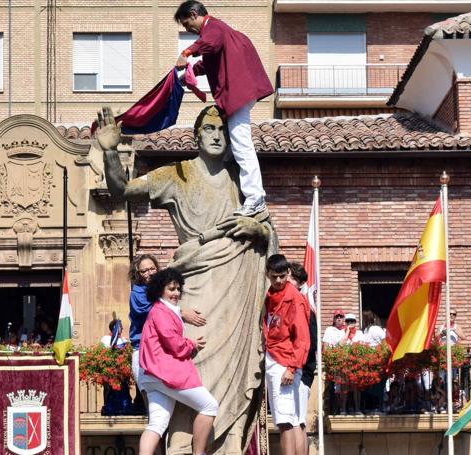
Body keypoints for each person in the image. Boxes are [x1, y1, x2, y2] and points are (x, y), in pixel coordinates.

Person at [99, 104, 274, 452]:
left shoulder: (242, 182)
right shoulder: (175, 174)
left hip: (236, 292)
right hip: (196, 290)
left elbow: (269, 234)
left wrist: (256, 227)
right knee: (194, 370)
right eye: (209, 129)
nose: (216, 135)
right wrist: (109, 151)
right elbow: (121, 191)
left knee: (233, 378)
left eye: (222, 130)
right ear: (196, 136)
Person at [174, 0, 274, 217]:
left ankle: (255, 198)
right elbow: (209, 62)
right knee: (230, 150)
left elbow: (210, 43)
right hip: (239, 94)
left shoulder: (214, 28)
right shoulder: (218, 34)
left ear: (194, 14)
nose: (188, 30)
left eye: (187, 24)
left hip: (237, 95)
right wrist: (187, 76)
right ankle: (236, 191)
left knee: (241, 145)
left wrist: (187, 52)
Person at [138, 268, 218, 455]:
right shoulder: (161, 312)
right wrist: (191, 344)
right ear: (160, 290)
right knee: (209, 406)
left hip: (151, 376)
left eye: (177, 289)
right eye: (171, 289)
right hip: (166, 374)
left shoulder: (161, 310)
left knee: (157, 424)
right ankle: (198, 453)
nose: (175, 293)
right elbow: (174, 343)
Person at [128, 254, 205, 399]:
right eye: (143, 271)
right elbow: (156, 313)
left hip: (163, 352)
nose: (149, 273)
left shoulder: (162, 290)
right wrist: (182, 313)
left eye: (152, 268)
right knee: (151, 402)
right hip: (144, 353)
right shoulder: (137, 294)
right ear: (137, 274)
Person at [263, 254, 310, 455]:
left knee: (285, 421)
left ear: (288, 273)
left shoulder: (295, 299)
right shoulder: (270, 295)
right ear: (268, 275)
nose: (279, 281)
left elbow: (302, 339)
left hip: (285, 362)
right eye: (274, 277)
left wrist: (291, 368)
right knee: (292, 419)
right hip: (274, 357)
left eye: (282, 276)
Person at [288, 262, 315, 454]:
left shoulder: (301, 304)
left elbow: (307, 341)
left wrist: (296, 367)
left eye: (287, 277)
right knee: (296, 421)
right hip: (300, 370)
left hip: (300, 371)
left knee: (296, 421)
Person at [361, 309, 386, 413]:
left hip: (372, 360)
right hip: (374, 361)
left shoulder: (371, 330)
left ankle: (375, 406)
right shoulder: (368, 330)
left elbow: (385, 341)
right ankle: (375, 406)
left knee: (374, 384)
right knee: (375, 384)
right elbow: (385, 341)